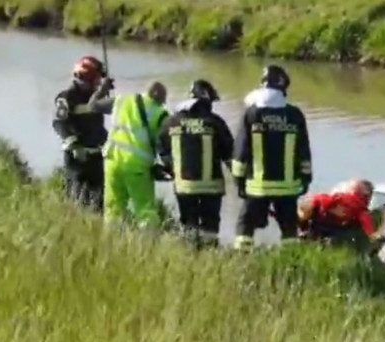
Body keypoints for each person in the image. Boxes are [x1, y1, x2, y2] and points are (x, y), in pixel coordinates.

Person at [231, 64, 313, 250]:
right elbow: (303, 151)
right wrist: (306, 179)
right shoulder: (294, 115)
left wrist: (238, 181)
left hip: (257, 186)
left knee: (245, 225)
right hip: (288, 187)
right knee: (289, 228)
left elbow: (241, 151)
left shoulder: (252, 114)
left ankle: (241, 259)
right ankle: (291, 261)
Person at [157, 79, 234, 248]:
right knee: (210, 225)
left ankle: (190, 254)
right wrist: (241, 182)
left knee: (188, 223)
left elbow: (162, 151)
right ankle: (210, 255)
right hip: (212, 187)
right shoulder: (216, 123)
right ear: (206, 99)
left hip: (184, 186)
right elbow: (230, 156)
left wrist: (173, 170)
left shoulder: (170, 122)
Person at [87, 80, 171, 230]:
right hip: (137, 167)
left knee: (113, 209)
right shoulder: (160, 114)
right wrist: (167, 167)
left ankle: (113, 242)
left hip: (112, 162)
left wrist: (102, 88)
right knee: (145, 210)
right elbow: (163, 146)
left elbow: (93, 106)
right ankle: (146, 246)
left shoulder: (122, 100)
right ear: (160, 99)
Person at [52, 56, 111, 212]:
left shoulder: (95, 95)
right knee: (76, 199)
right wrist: (73, 144)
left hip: (97, 155)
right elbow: (59, 123)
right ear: (85, 78)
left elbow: (105, 108)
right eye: (97, 79)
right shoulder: (66, 97)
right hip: (78, 158)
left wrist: (104, 93)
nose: (98, 82)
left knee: (98, 201)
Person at [297, 179, 385, 252]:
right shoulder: (360, 208)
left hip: (320, 221)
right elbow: (366, 223)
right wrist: (373, 235)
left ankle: (305, 232)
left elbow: (316, 201)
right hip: (337, 229)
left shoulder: (332, 197)